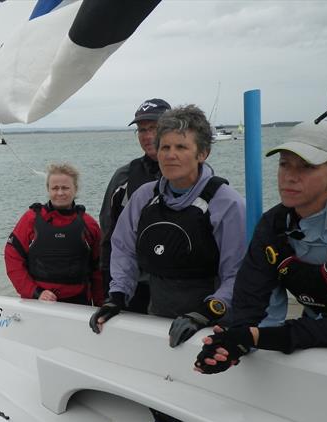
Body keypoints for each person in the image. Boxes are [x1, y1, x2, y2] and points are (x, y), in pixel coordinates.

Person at [196, 121, 327, 373]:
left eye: (307, 167)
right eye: (284, 164)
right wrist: (233, 345)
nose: (290, 176)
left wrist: (258, 337)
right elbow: (252, 302)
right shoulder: (274, 226)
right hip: (318, 336)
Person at [90, 104, 247, 347]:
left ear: (202, 153)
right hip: (158, 315)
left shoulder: (227, 203)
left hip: (210, 322)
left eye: (181, 147)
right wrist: (117, 297)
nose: (170, 155)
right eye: (165, 147)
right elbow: (123, 248)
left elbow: (238, 272)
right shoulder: (144, 196)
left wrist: (206, 313)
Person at [99, 98, 170, 313]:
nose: (148, 136)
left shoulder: (194, 176)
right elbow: (108, 230)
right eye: (142, 130)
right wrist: (108, 282)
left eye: (154, 128)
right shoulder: (124, 176)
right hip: (134, 284)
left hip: (179, 286)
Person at [5, 163, 104, 305]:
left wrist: (101, 306)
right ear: (48, 189)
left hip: (79, 303)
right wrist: (34, 291)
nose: (60, 193)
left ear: (75, 189)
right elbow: (12, 258)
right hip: (39, 301)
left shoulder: (89, 225)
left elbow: (99, 269)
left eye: (65, 188)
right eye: (55, 188)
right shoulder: (30, 220)